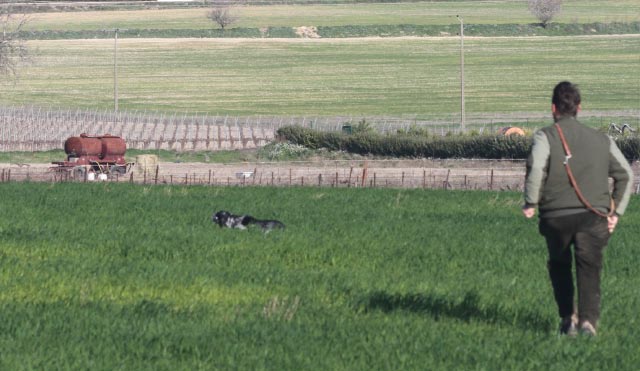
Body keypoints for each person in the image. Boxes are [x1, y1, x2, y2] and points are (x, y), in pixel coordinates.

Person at [522, 81, 633, 337]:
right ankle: (588, 324)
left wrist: (531, 201)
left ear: (553, 108)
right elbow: (626, 174)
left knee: (559, 266)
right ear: (579, 108)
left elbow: (537, 167)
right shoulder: (601, 139)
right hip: (594, 217)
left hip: (556, 217)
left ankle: (567, 320)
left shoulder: (545, 136)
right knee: (589, 267)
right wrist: (616, 213)